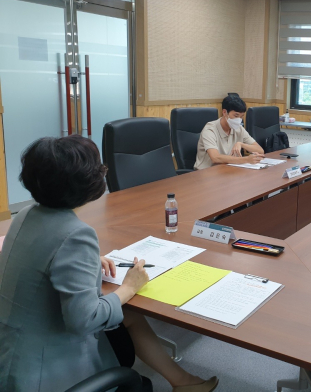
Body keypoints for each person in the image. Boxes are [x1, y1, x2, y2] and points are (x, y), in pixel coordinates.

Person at [0, 135, 218, 392]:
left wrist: (88, 260)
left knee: (130, 313)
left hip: (13, 350)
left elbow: (43, 256)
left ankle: (182, 382)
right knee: (123, 306)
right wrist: (129, 287)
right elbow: (85, 320)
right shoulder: (75, 235)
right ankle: (181, 382)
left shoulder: (26, 214)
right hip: (45, 372)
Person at [194, 95, 265, 170]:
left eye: (241, 116)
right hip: (207, 172)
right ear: (224, 112)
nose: (239, 120)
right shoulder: (210, 129)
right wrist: (246, 160)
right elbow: (215, 158)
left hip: (228, 170)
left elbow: (260, 150)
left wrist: (241, 144)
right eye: (236, 115)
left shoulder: (239, 129)